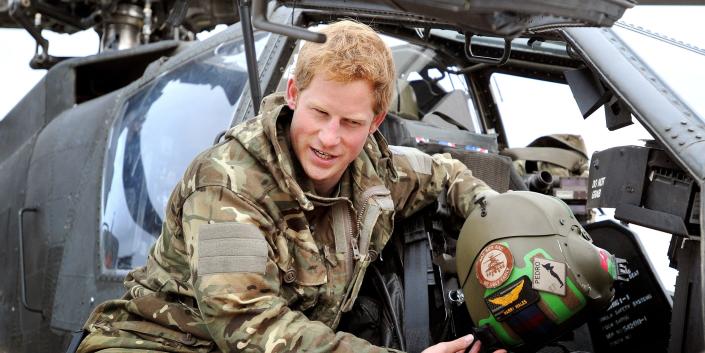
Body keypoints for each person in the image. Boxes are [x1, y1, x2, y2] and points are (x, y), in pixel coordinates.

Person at [76, 20, 504, 353]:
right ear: (295, 94)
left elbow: (446, 173)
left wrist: (498, 214)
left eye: (351, 123)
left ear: (374, 124)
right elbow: (248, 326)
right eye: (319, 113)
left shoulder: (378, 171)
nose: (329, 138)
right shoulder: (227, 184)